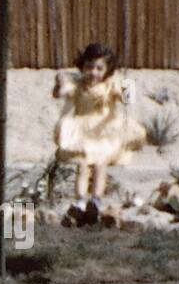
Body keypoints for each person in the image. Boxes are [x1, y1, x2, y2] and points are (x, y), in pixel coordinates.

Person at [53, 42, 146, 224]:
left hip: (104, 131)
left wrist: (127, 86)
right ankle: (80, 201)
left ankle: (95, 201)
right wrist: (58, 86)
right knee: (83, 166)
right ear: (82, 66)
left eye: (99, 68)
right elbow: (60, 94)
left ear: (107, 70)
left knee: (100, 166)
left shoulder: (110, 85)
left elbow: (126, 98)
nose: (93, 72)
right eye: (89, 67)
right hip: (82, 131)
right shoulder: (78, 85)